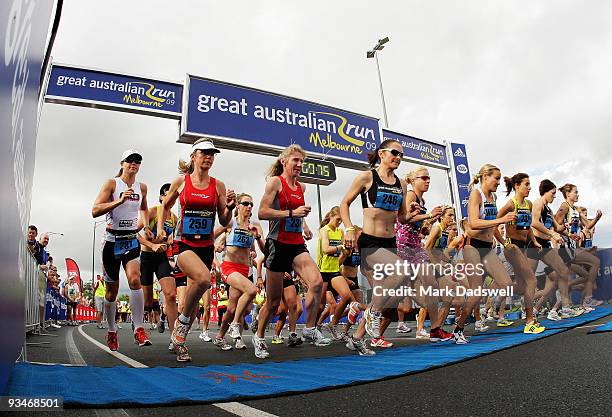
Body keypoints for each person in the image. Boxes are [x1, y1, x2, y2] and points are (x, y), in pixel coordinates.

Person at [340, 139, 426, 356]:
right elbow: (344, 203)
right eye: (394, 153)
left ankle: (357, 338)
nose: (398, 157)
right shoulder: (367, 177)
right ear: (381, 153)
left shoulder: (401, 184)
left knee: (387, 297)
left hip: (390, 244)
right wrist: (349, 228)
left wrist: (412, 212)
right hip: (370, 242)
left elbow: (402, 218)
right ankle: (371, 315)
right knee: (401, 272)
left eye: (401, 155)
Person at [157, 139, 236, 362]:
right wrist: (162, 227)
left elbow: (224, 218)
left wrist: (229, 207)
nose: (209, 157)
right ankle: (180, 335)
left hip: (206, 247)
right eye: (205, 153)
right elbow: (165, 205)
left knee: (189, 305)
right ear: (194, 156)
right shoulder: (182, 182)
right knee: (203, 280)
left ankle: (178, 337)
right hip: (184, 244)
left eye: (212, 154)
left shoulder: (218, 185)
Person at [254, 144, 329, 359]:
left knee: (315, 283)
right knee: (274, 302)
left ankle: (310, 328)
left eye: (302, 162)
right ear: (284, 162)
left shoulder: (302, 187)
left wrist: (303, 224)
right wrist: (291, 213)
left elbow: (298, 212)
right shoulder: (275, 182)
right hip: (277, 244)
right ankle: (259, 337)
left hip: (295, 243)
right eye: (295, 160)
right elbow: (262, 212)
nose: (299, 165)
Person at [92, 149, 152, 351]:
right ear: (122, 163)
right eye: (130, 161)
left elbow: (144, 208)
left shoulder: (142, 187)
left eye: (137, 161)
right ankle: (111, 330)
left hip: (130, 240)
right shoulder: (112, 184)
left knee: (135, 279)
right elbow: (94, 210)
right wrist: (119, 200)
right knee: (111, 291)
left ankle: (139, 328)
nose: (133, 164)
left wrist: (146, 225)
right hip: (111, 241)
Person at [451, 164, 517, 344]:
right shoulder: (476, 194)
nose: (498, 182)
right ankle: (459, 328)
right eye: (496, 178)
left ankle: (488, 306)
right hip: (472, 246)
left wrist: (504, 243)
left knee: (506, 282)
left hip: (488, 247)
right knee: (476, 291)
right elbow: (473, 223)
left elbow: (492, 225)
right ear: (486, 177)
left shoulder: (493, 196)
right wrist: (502, 219)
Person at [496, 173, 545, 334]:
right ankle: (530, 321)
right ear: (517, 186)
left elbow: (528, 226)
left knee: (521, 286)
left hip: (524, 247)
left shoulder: (529, 204)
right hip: (512, 247)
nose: (530, 187)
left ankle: (498, 292)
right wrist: (504, 243)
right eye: (526, 184)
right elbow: (494, 225)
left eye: (530, 184)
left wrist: (535, 241)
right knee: (531, 280)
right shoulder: (511, 204)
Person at [214, 193, 263, 350]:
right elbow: (211, 239)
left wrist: (258, 237)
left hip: (245, 270)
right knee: (251, 291)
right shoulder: (230, 223)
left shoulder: (254, 225)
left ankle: (220, 337)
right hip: (229, 267)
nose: (249, 207)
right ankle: (235, 326)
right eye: (246, 203)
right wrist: (216, 248)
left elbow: (260, 250)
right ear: (238, 206)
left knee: (235, 308)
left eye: (251, 204)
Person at [138, 183, 179, 335]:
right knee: (148, 303)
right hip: (147, 257)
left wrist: (168, 242)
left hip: (161, 258)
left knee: (171, 294)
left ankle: (176, 337)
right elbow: (133, 233)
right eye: (168, 194)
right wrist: (151, 245)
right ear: (162, 197)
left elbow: (170, 239)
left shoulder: (174, 218)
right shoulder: (153, 211)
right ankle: (137, 324)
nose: (172, 198)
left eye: (174, 195)